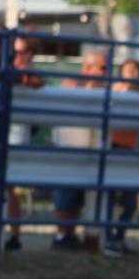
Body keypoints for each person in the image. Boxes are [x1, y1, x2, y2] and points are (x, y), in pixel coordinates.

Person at [51, 49, 107, 251]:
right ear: (86, 68)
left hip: (91, 149)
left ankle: (79, 236)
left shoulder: (105, 91)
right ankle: (63, 235)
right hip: (71, 148)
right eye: (99, 68)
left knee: (84, 196)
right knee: (66, 193)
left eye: (104, 68)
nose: (102, 72)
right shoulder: (71, 88)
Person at [3, 34, 44, 252]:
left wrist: (24, 75)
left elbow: (38, 82)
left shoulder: (30, 75)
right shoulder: (2, 68)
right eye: (15, 52)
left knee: (13, 190)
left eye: (22, 52)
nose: (17, 57)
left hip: (18, 134)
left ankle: (13, 236)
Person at [103, 57, 139, 257]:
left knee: (129, 201)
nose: (133, 75)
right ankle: (109, 238)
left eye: (136, 71)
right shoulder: (116, 91)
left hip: (130, 149)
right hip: (114, 147)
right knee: (111, 197)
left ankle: (118, 238)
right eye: (129, 71)